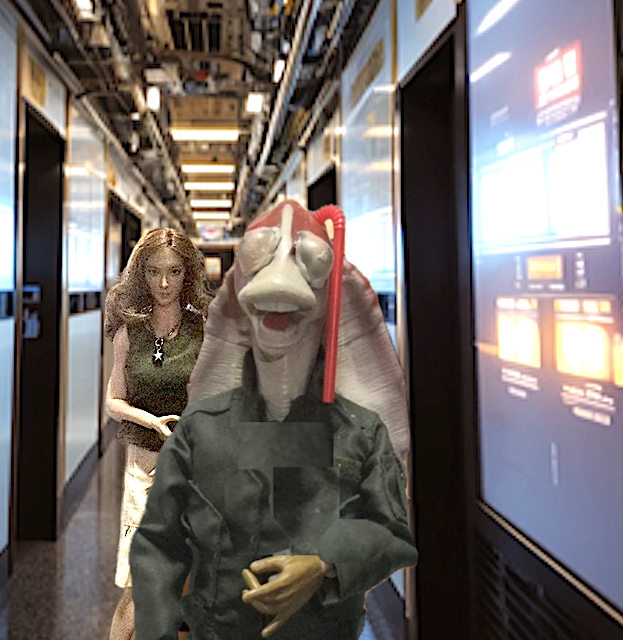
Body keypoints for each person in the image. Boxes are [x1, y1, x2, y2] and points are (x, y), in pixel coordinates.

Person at [130, 200, 418, 640]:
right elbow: (158, 544)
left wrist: (324, 564)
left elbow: (392, 529)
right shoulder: (201, 430)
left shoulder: (361, 432)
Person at [104, 227, 212, 640]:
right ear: (141, 275)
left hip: (197, 471)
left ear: (188, 275)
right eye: (153, 272)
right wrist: (150, 420)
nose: (164, 283)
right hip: (143, 471)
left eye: (174, 272)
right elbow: (113, 401)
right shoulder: (129, 332)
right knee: (136, 590)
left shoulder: (204, 330)